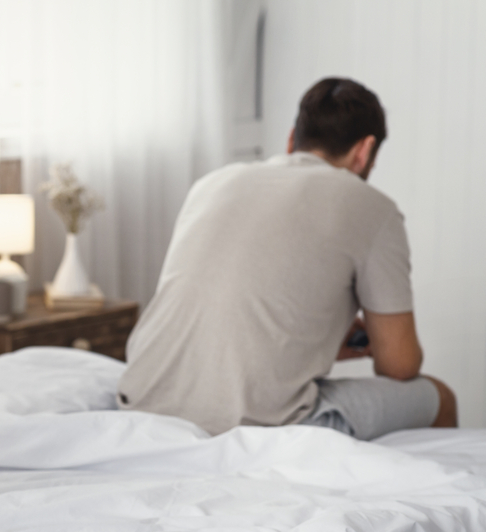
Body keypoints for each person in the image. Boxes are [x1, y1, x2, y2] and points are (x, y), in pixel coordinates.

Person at [117, 77, 458, 439]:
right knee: (440, 397)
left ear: (292, 138)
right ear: (365, 150)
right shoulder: (374, 209)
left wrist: (318, 340)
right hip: (254, 426)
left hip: (141, 402)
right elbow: (400, 364)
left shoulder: (212, 183)